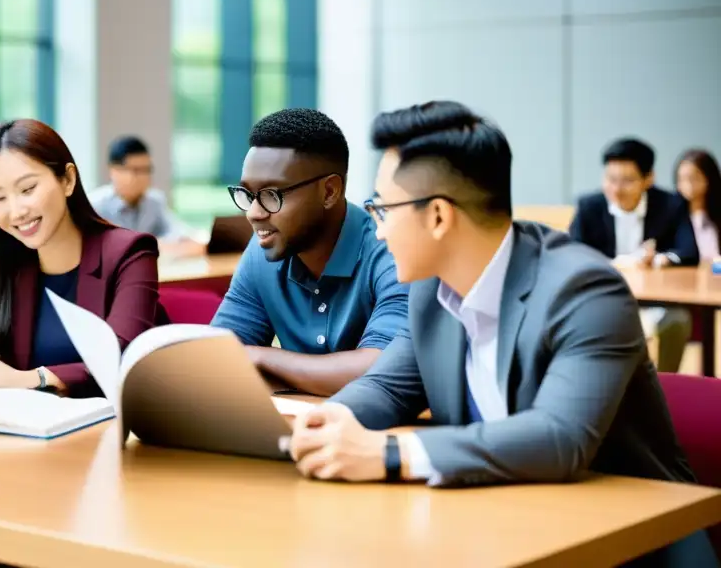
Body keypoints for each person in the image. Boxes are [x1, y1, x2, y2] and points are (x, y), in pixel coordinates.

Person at [284, 101, 715, 567]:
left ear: (439, 217)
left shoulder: (585, 290)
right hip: (508, 527)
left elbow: (559, 438)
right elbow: (388, 386)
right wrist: (318, 425)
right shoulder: (431, 287)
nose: (378, 231)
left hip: (636, 544)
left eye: (383, 209)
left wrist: (388, 453)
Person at [0, 119, 168, 568]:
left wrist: (35, 378)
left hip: (106, 468)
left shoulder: (129, 252)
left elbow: (124, 357)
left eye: (27, 189)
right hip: (12, 466)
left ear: (66, 179)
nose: (15, 211)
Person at [209, 108, 408, 397]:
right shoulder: (261, 251)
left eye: (271, 195)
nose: (253, 213)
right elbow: (218, 359)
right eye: (248, 195)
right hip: (292, 430)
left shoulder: (391, 250)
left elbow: (386, 368)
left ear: (329, 192)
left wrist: (263, 357)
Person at [569, 137, 698, 372]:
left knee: (678, 320)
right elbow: (571, 255)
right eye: (610, 179)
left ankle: (666, 386)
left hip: (657, 300)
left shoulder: (671, 205)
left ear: (649, 178)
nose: (616, 189)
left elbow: (690, 252)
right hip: (604, 297)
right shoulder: (590, 207)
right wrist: (621, 263)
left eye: (627, 181)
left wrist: (659, 259)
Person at [89, 135, 205, 258]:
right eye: (135, 170)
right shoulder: (95, 206)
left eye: (146, 170)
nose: (143, 177)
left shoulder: (154, 201)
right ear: (114, 170)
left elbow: (177, 233)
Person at [675, 149, 721, 263]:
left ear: (709, 178)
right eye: (682, 179)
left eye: (693, 178)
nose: (687, 185)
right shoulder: (673, 215)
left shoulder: (715, 214)